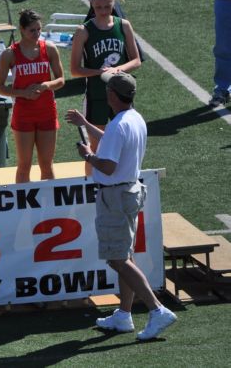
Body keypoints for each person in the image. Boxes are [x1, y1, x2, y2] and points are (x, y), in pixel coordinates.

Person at [66, 71, 177, 341]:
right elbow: (112, 139)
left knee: (117, 259)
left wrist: (88, 156)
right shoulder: (133, 119)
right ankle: (124, 315)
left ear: (113, 95)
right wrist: (86, 124)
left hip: (114, 196)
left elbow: (108, 164)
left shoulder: (118, 124)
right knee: (125, 256)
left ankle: (157, 309)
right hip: (129, 191)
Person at [70, 0, 141, 173]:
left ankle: (125, 178)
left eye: (107, 7)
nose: (103, 11)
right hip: (97, 94)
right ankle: (91, 189)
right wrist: (99, 73)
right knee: (95, 148)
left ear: (114, 4)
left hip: (122, 94)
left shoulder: (123, 25)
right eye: (98, 7)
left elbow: (136, 60)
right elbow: (75, 70)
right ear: (91, 4)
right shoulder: (83, 31)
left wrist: (117, 70)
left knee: (127, 141)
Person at [0, 9, 64, 183]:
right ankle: (22, 208)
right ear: (22, 30)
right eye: (32, 30)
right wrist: (23, 93)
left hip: (47, 111)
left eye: (39, 29)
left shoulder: (49, 49)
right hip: (23, 114)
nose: (37, 34)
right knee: (24, 165)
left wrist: (45, 86)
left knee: (47, 165)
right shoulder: (10, 54)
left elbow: (61, 80)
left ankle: (51, 208)